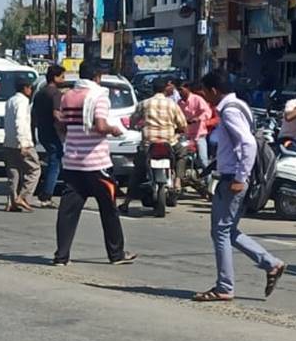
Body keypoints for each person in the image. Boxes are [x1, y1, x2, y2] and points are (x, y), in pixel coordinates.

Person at [194, 70, 286, 303]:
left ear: (214, 91)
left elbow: (247, 144)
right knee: (228, 230)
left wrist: (240, 178)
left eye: (205, 92)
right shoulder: (239, 106)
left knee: (221, 232)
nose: (205, 96)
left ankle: (224, 286)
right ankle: (270, 263)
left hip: (233, 179)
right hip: (233, 177)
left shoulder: (231, 110)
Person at [52, 60, 135, 266]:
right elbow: (99, 125)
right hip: (97, 164)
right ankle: (116, 254)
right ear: (97, 77)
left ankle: (61, 256)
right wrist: (113, 129)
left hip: (73, 162)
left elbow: (61, 124)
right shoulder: (99, 96)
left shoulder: (68, 96)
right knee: (109, 210)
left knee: (67, 212)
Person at [120, 80, 187, 215]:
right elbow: (183, 125)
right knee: (182, 154)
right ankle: (178, 181)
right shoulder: (172, 104)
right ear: (164, 90)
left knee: (138, 170)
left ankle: (126, 203)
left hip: (148, 145)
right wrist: (178, 129)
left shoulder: (144, 104)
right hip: (170, 143)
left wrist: (135, 126)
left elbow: (133, 121)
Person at [3, 78, 41, 212]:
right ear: (25, 88)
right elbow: (20, 122)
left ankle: (12, 201)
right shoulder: (23, 101)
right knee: (35, 169)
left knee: (14, 172)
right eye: (30, 88)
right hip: (22, 142)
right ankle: (23, 197)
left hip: (9, 142)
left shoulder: (10, 100)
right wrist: (22, 143)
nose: (31, 91)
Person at [32, 63, 65, 205]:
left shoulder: (40, 93)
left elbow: (33, 115)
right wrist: (67, 126)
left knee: (53, 160)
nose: (64, 79)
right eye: (62, 76)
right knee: (55, 160)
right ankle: (47, 194)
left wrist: (33, 132)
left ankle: (45, 190)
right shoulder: (56, 94)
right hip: (53, 132)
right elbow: (57, 114)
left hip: (42, 132)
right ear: (55, 78)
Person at [177, 79, 215, 174]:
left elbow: (207, 112)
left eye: (181, 89)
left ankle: (208, 179)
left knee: (203, 160)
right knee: (180, 157)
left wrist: (198, 118)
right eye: (178, 90)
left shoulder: (197, 99)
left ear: (187, 89)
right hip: (186, 135)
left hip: (199, 134)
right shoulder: (179, 103)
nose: (180, 92)